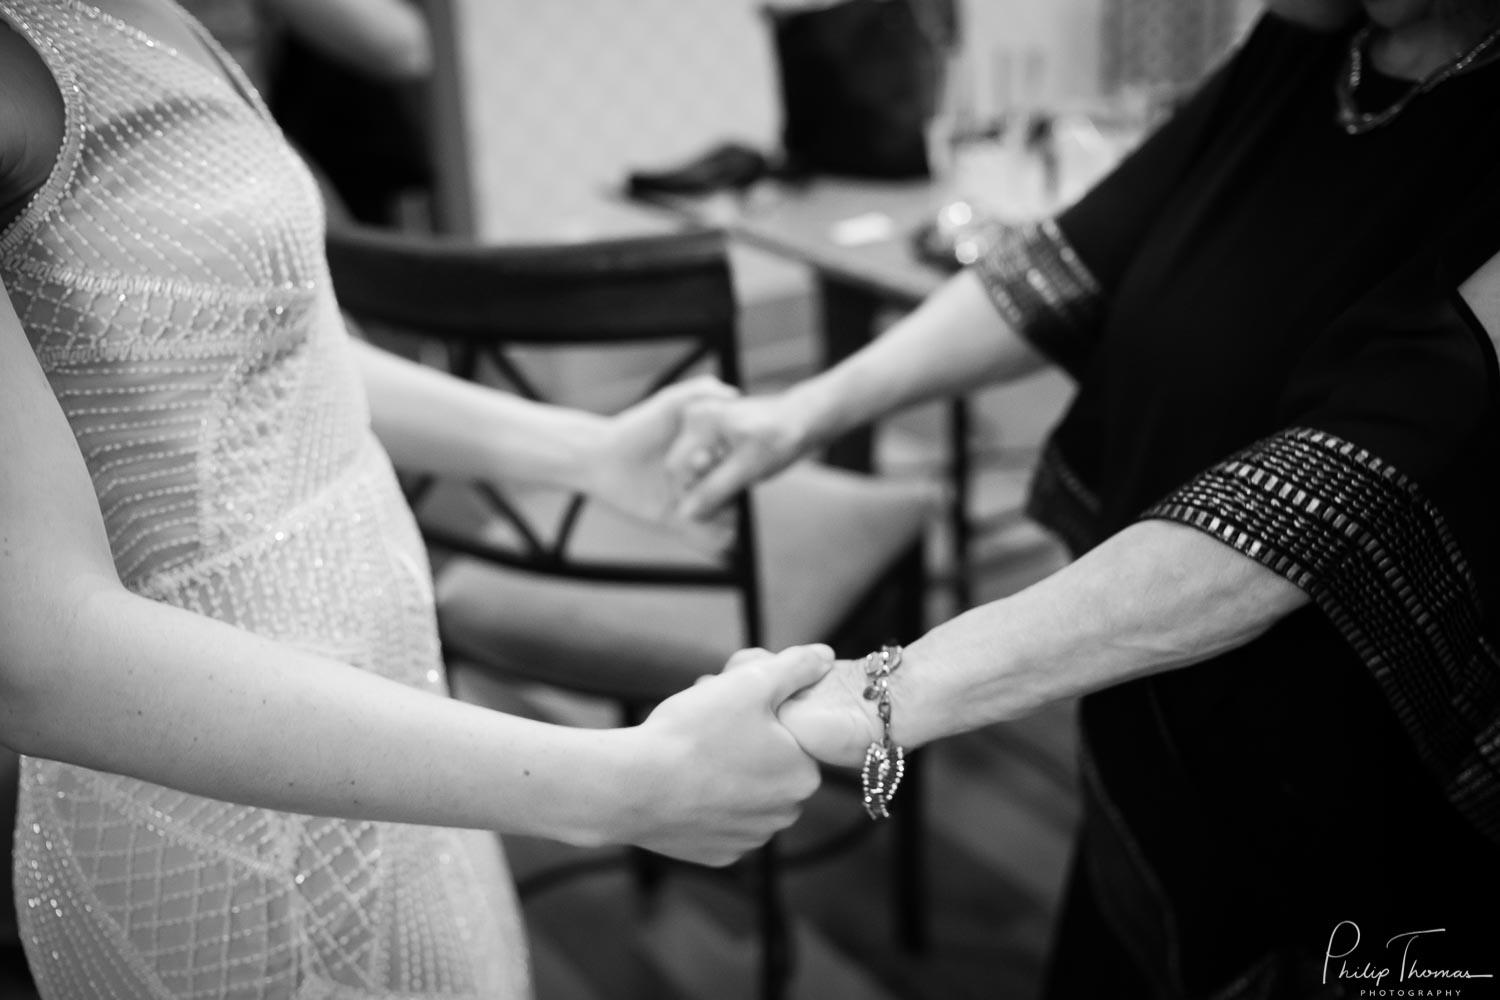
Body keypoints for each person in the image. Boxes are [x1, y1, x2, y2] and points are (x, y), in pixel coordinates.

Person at [0, 0, 829, 996]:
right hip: (208, 818)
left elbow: (274, 344)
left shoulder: (148, 13)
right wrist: (615, 786)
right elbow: (36, 653)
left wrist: (585, 451)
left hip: (396, 727)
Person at [672, 0, 1500, 996]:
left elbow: (1346, 484)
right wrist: (800, 413)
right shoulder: (1310, 46)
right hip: (1145, 674)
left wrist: (896, 690)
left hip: (1364, 746)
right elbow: (1073, 256)